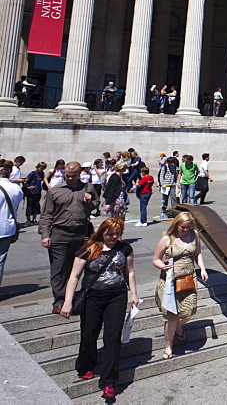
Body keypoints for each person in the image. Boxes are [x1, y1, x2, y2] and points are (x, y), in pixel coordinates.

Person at [59, 218, 138, 399]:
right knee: (89, 333)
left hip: (117, 296)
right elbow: (74, 277)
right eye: (110, 233)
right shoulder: (89, 249)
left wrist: (134, 294)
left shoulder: (125, 249)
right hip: (92, 297)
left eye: (117, 233)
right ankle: (86, 365)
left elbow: (130, 272)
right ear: (101, 232)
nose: (113, 237)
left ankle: (108, 381)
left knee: (112, 338)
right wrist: (67, 302)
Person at [39, 161, 98, 314]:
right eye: (67, 175)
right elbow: (46, 214)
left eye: (73, 176)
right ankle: (59, 299)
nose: (69, 178)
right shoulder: (55, 191)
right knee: (59, 268)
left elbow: (96, 205)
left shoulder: (88, 188)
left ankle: (74, 297)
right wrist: (45, 234)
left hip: (81, 233)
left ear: (80, 174)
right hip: (60, 233)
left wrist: (89, 201)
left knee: (79, 267)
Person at [151, 212, 208, 359]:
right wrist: (162, 267)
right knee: (170, 315)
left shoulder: (194, 235)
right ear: (176, 224)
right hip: (170, 282)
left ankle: (178, 327)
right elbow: (156, 259)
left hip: (188, 280)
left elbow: (198, 254)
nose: (186, 229)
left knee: (189, 310)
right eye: (183, 227)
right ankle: (169, 346)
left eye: (188, 227)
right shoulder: (167, 239)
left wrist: (202, 268)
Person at [0, 165, 24, 286]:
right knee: (0, 261)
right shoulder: (15, 188)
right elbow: (17, 202)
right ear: (9, 174)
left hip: (5, 228)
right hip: (6, 228)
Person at [23, 161, 45, 226]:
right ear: (37, 167)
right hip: (31, 192)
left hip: (38, 191)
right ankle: (28, 220)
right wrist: (28, 187)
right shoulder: (32, 173)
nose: (41, 169)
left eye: (42, 168)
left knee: (36, 205)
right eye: (40, 167)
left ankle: (34, 219)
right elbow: (26, 181)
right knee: (30, 206)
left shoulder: (42, 173)